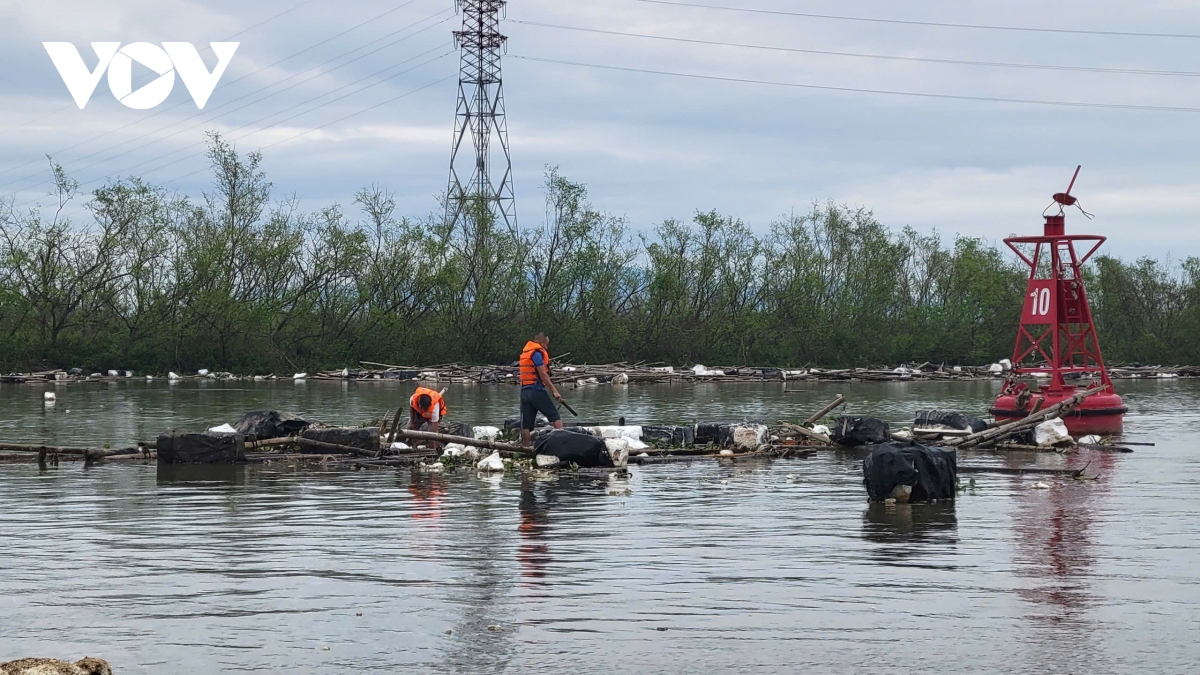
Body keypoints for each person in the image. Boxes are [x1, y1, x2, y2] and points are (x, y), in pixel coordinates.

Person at [519, 332, 564, 447]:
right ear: (541, 343)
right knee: (554, 416)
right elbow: (543, 374)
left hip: (525, 391)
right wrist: (555, 391)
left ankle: (526, 447)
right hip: (536, 390)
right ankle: (563, 443)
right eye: (546, 344)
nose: (547, 347)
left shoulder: (526, 353)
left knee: (526, 424)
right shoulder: (536, 353)